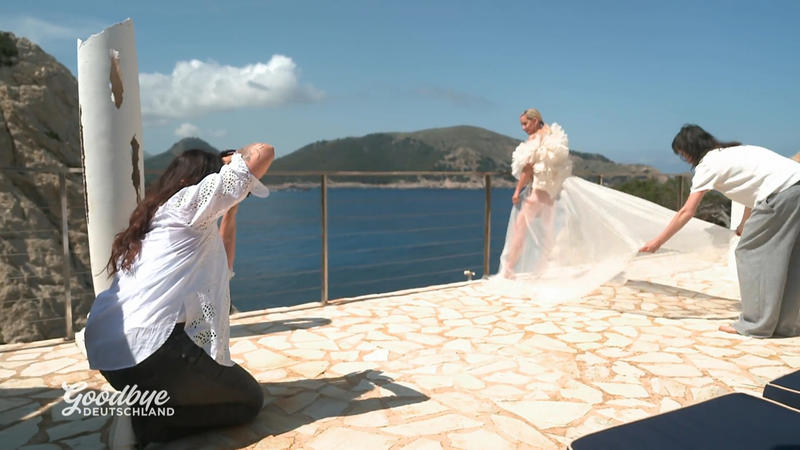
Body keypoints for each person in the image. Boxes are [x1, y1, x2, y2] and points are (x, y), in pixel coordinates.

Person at [84, 143, 274, 447]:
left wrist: (231, 210)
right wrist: (232, 159)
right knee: (249, 401)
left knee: (219, 386)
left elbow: (223, 267)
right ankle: (149, 423)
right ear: (197, 181)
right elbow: (263, 151)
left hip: (113, 356)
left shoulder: (157, 220)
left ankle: (146, 404)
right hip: (153, 350)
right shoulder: (186, 204)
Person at [494, 110, 730, 302]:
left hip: (538, 191)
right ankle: (541, 268)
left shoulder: (536, 140)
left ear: (535, 120)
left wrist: (516, 191)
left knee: (521, 228)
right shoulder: (555, 135)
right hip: (554, 191)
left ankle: (509, 270)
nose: (524, 128)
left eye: (525, 123)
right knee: (546, 232)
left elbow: (527, 169)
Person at [641, 125, 800, 337]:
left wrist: (657, 242)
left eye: (682, 153)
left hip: (780, 195)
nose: (684, 158)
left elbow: (687, 212)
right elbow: (753, 187)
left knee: (750, 255)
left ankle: (755, 324)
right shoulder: (736, 151)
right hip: (793, 186)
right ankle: (786, 325)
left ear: (691, 148)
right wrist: (745, 223)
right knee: (790, 256)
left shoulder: (708, 165)